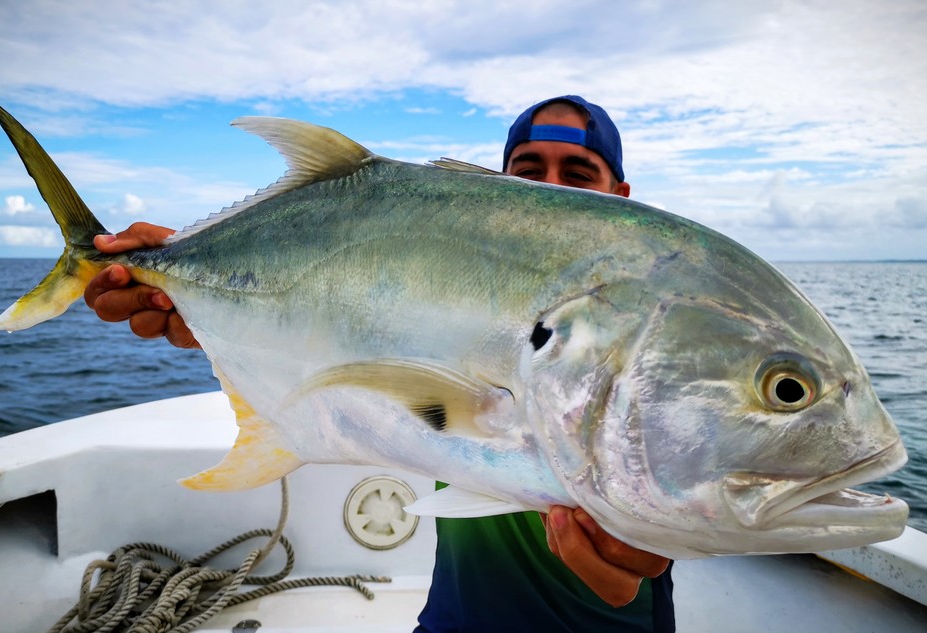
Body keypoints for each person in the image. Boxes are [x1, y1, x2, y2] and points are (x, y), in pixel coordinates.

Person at [84, 96, 675, 632]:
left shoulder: (660, 331)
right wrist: (196, 305)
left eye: (577, 175)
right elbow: (338, 333)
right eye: (527, 172)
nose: (551, 186)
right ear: (501, 192)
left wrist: (651, 543)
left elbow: (677, 485)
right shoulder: (460, 287)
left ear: (621, 198)